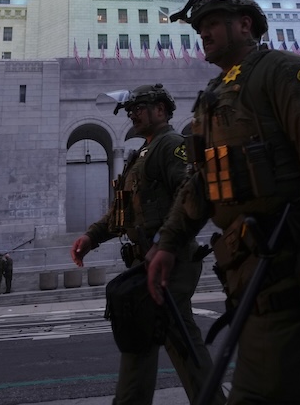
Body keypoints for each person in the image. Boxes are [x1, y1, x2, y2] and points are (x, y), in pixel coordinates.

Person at [145, 0, 300, 404]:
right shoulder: (214, 94)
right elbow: (203, 179)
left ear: (245, 25)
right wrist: (168, 242)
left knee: (257, 392)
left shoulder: (285, 72)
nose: (203, 32)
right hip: (245, 266)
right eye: (199, 26)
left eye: (213, 22)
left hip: (287, 256)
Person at [71, 83, 220, 405]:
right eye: (130, 109)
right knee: (150, 339)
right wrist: (91, 237)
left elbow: (190, 192)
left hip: (171, 259)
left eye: (140, 107)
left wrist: (165, 243)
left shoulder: (170, 145)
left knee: (173, 338)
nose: (132, 114)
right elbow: (122, 212)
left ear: (161, 110)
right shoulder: (143, 152)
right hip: (146, 261)